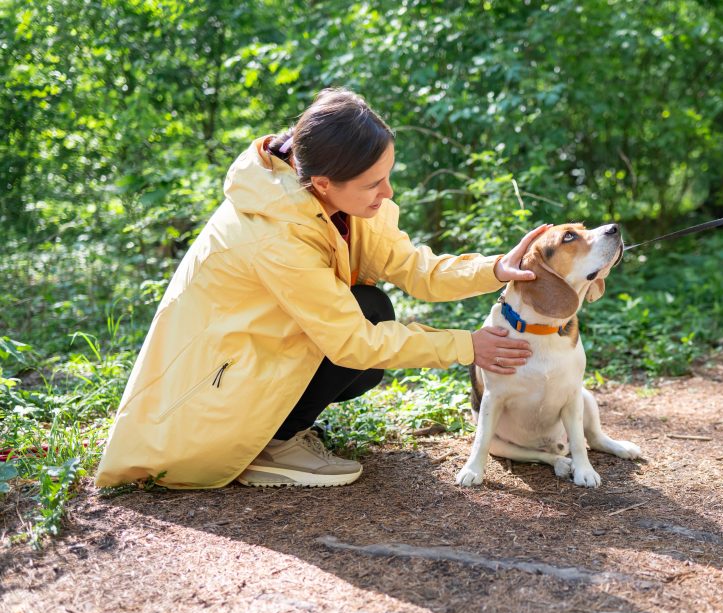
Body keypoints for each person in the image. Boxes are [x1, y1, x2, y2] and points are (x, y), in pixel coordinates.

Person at [95, 88, 549, 490]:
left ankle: (280, 429)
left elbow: (411, 266)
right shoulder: (275, 231)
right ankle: (271, 443)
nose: (387, 192)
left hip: (255, 356)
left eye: (388, 175)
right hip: (206, 398)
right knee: (367, 323)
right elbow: (351, 341)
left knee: (372, 308)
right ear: (326, 183)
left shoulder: (329, 192)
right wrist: (465, 345)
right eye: (374, 183)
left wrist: (495, 269)